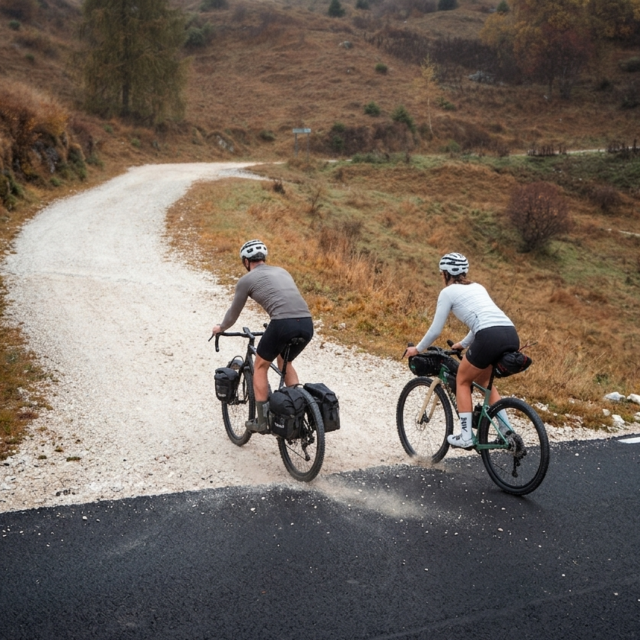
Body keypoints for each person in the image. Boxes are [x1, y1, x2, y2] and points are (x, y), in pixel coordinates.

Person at [404, 252, 519, 448]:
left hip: (488, 336)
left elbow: (435, 330)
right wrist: (463, 344)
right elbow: (482, 321)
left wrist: (418, 349)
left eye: (442, 273)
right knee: (484, 381)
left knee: (462, 380)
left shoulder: (448, 292)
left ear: (446, 274)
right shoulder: (478, 287)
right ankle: (507, 432)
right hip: (509, 333)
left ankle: (466, 436)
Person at [211, 240, 313, 433]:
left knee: (260, 366)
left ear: (246, 261)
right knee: (285, 362)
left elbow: (233, 313)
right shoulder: (282, 271)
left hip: (282, 324)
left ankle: (263, 421)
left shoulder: (246, 280)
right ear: (263, 258)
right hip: (306, 323)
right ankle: (297, 411)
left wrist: (221, 327)